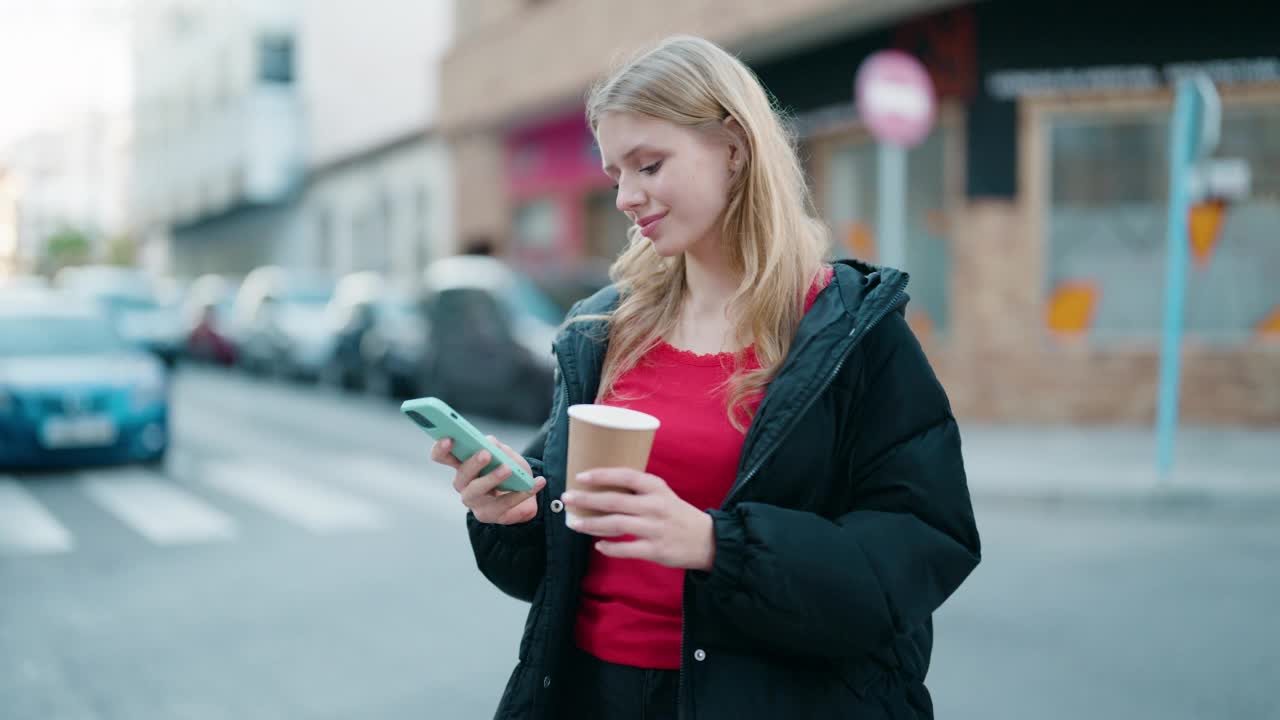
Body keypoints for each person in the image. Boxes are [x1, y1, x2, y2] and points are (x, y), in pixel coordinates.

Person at [430, 35, 980, 720]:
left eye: (649, 164)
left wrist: (715, 543)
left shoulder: (848, 332)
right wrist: (510, 512)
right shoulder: (604, 330)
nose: (627, 196)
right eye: (614, 175)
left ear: (734, 147)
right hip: (590, 696)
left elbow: (921, 546)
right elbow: (555, 559)